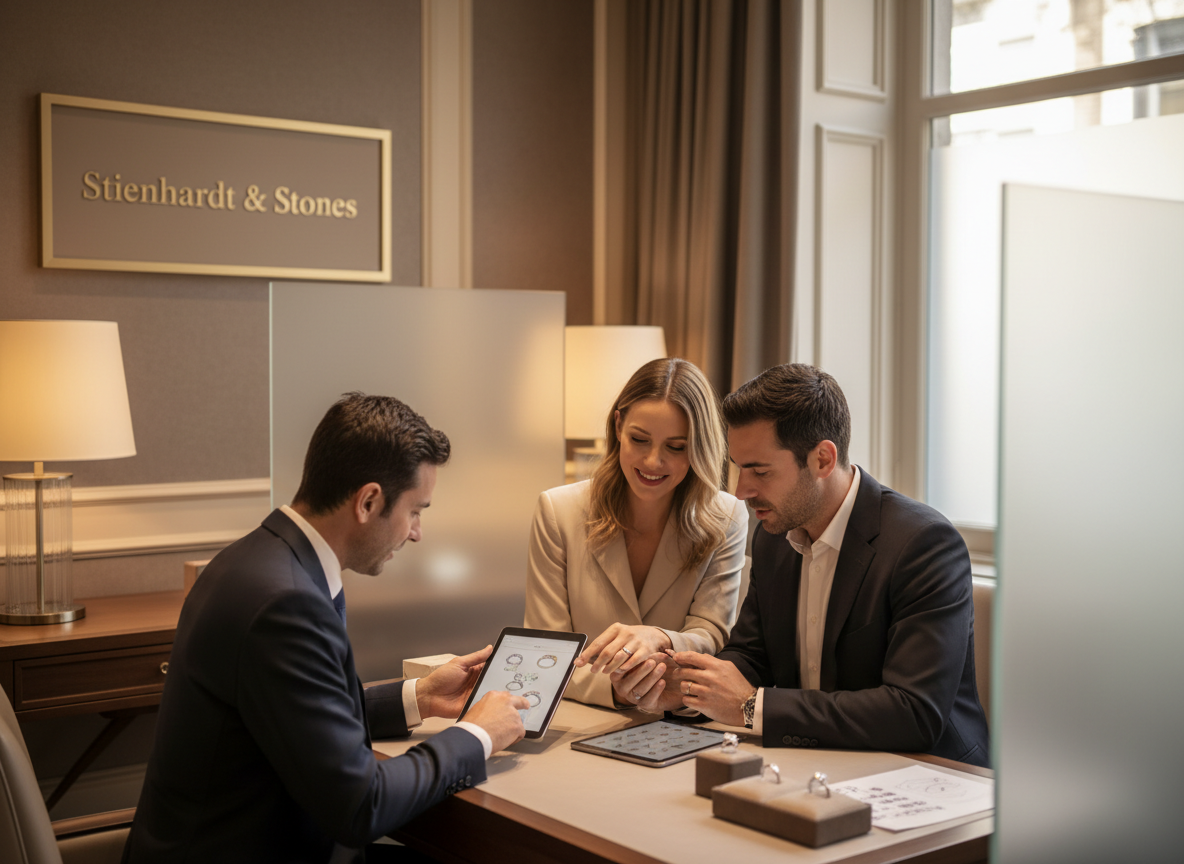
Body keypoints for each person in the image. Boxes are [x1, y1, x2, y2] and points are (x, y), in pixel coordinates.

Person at [124, 393, 529, 863]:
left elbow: (298, 714)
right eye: (415, 511)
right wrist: (478, 735)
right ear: (369, 501)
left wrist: (420, 696)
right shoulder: (286, 602)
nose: (416, 532)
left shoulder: (255, 560)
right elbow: (361, 807)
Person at [616, 364, 991, 767]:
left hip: (930, 772)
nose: (742, 490)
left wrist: (749, 706)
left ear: (823, 459)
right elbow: (752, 655)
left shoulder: (923, 544)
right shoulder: (774, 535)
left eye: (759, 470)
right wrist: (688, 689)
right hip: (812, 760)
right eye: (740, 468)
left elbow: (913, 713)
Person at [525, 358, 748, 708]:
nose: (653, 461)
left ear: (699, 446)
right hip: (580, 718)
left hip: (680, 721)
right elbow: (545, 650)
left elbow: (712, 634)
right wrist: (614, 690)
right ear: (618, 425)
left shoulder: (728, 516)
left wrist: (657, 637)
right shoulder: (558, 511)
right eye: (640, 439)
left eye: (676, 447)